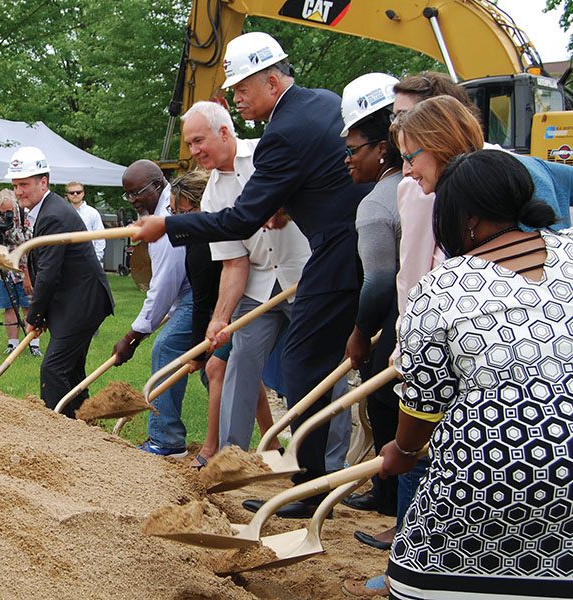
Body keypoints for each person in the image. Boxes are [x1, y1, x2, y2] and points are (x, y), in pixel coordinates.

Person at [134, 32, 364, 517]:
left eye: (241, 89)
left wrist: (168, 224)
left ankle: (316, 479)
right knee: (265, 363)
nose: (236, 100)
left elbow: (244, 216)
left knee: (313, 368)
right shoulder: (320, 102)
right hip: (290, 270)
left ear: (274, 82)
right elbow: (239, 248)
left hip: (323, 259)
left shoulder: (276, 138)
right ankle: (253, 463)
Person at [380, 149, 572, 599]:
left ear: (464, 218)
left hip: (483, 484)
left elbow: (425, 403)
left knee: (413, 578)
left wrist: (404, 450)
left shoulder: (442, 287)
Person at [180, 101, 311, 464]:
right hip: (258, 286)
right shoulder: (211, 196)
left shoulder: (269, 154)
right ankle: (230, 458)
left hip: (305, 278)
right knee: (238, 363)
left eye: (198, 141)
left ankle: (315, 460)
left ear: (225, 132)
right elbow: (234, 262)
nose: (194, 151)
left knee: (308, 368)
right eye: (189, 144)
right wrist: (220, 318)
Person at [336, 73, 404, 521]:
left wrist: (361, 335)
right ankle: (386, 492)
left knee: (384, 399)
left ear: (382, 148)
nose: (346, 160)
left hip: (407, 312)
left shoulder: (378, 203)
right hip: (424, 304)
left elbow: (379, 281)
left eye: (353, 150)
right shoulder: (415, 186)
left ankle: (393, 497)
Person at [9, 147, 113, 417]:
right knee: (71, 367)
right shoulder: (47, 209)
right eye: (15, 185)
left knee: (53, 369)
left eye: (24, 184)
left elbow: (49, 272)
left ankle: (59, 430)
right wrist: (42, 314)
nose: (19, 191)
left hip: (82, 302)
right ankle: (83, 419)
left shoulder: (53, 215)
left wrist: (35, 314)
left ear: (43, 182)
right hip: (75, 300)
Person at [113, 160, 193, 457]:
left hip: (200, 291)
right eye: (128, 195)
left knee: (167, 347)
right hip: (192, 288)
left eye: (138, 193)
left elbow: (162, 288)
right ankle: (226, 440)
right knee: (216, 369)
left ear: (158, 185)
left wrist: (133, 336)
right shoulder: (159, 215)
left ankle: (166, 440)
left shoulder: (166, 222)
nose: (133, 200)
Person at [0, 189, 38, 355]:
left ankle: (33, 344)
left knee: (28, 306)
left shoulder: (25, 215)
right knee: (9, 307)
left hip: (24, 268)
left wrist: (29, 275)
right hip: (1, 268)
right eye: (2, 212)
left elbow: (31, 245)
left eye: (8, 212)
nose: (5, 216)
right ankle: (13, 344)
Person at [65, 181, 105, 262]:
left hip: (89, 258)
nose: (75, 194)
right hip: (67, 259)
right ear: (67, 195)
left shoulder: (93, 213)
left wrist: (97, 258)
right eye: (72, 193)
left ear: (83, 193)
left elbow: (100, 236)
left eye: (78, 192)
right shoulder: (62, 213)